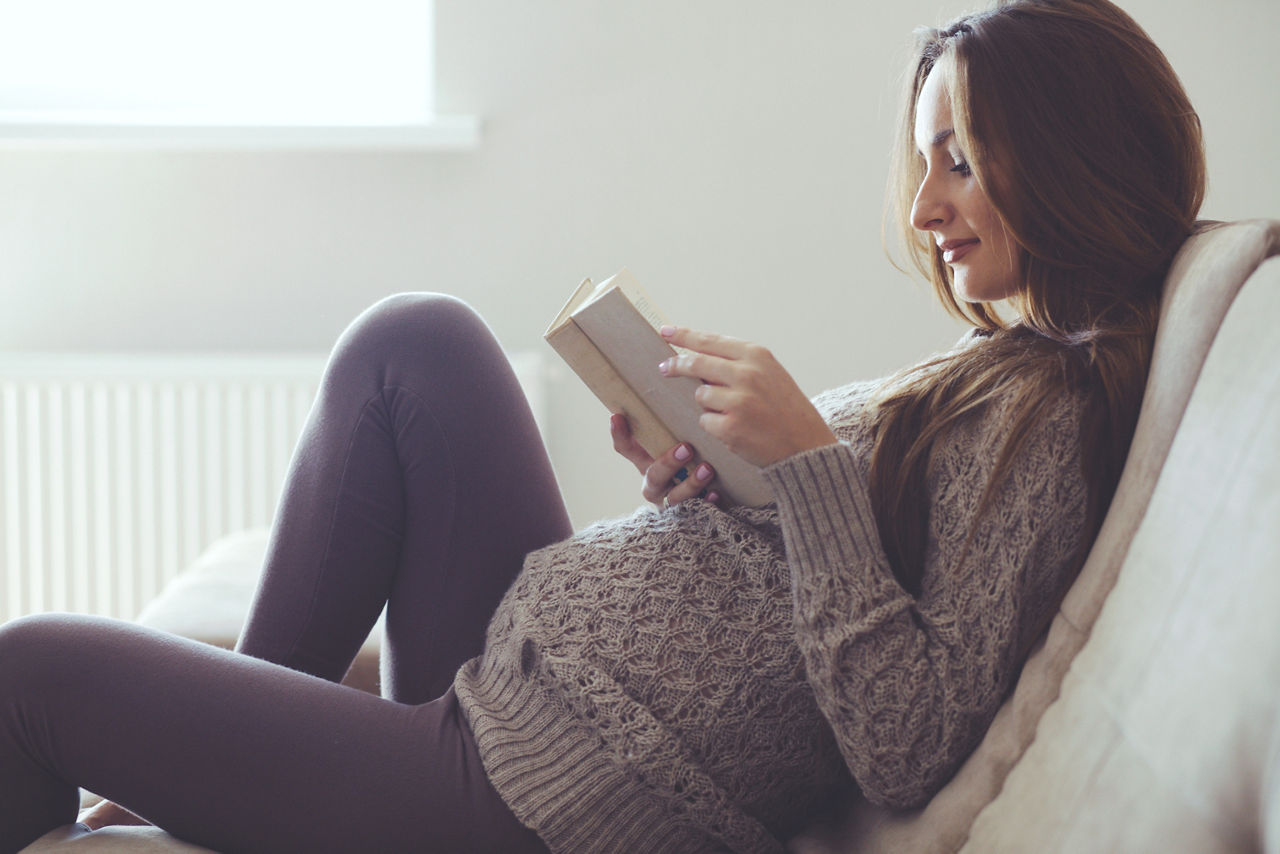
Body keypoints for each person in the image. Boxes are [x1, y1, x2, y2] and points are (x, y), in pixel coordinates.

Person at [0, 0, 1205, 851]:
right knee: (414, 346)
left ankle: (228, 775)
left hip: (558, 791)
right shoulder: (1007, 365)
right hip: (547, 692)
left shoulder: (1054, 419)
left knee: (28, 670)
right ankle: (242, 759)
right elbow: (849, 571)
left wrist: (808, 473)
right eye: (924, 158)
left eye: (961, 160)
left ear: (1058, 157)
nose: (925, 202)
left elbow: (906, 736)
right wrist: (730, 487)